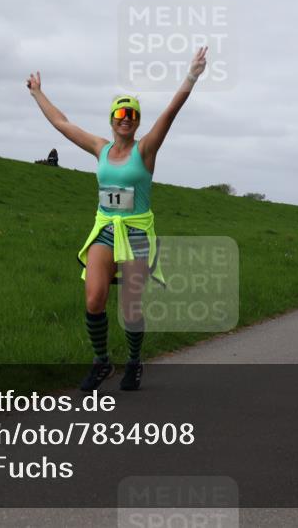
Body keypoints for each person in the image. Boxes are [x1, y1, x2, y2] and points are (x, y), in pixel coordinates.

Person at [27, 47, 208, 392]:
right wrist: (38, 93)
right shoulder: (100, 148)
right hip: (105, 230)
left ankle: (135, 362)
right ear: (111, 119)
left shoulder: (146, 150)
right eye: (121, 113)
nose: (127, 118)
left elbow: (169, 114)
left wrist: (192, 76)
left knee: (130, 308)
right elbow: (62, 123)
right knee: (94, 299)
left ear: (137, 122)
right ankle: (101, 362)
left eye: (133, 114)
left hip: (137, 233)